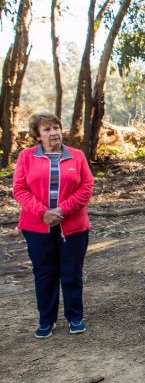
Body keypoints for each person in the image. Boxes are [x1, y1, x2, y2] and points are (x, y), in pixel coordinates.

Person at [13, 112, 94, 338]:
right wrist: (43, 213)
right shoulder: (26, 157)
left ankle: (75, 316)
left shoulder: (76, 156)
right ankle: (46, 320)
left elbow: (86, 187)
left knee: (71, 273)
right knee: (45, 273)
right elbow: (19, 189)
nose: (54, 132)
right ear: (37, 135)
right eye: (47, 129)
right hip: (37, 227)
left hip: (73, 226)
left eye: (56, 127)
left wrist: (62, 210)